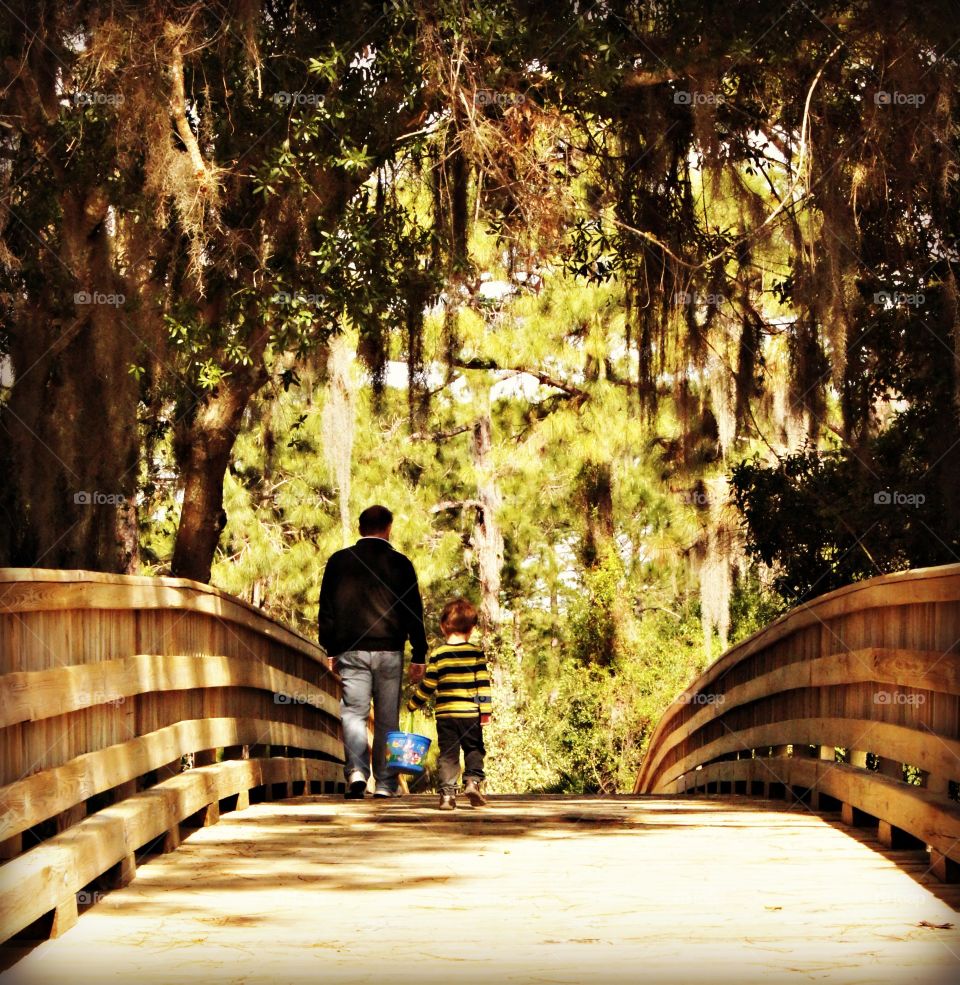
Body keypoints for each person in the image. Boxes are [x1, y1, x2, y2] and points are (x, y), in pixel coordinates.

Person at [318, 505, 427, 799]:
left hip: (350, 650)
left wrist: (329, 648)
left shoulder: (338, 562)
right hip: (390, 650)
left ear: (359, 528)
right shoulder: (401, 564)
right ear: (388, 528)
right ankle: (385, 785)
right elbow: (413, 611)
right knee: (388, 718)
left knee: (353, 713)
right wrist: (419, 653)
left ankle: (356, 773)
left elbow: (326, 609)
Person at [407, 597, 491, 810]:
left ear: (443, 627)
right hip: (470, 714)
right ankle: (472, 782)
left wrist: (413, 704)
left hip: (446, 716)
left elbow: (428, 685)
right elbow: (482, 684)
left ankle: (446, 796)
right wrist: (485, 711)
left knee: (448, 754)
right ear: (471, 628)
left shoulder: (438, 655)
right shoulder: (475, 653)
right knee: (474, 749)